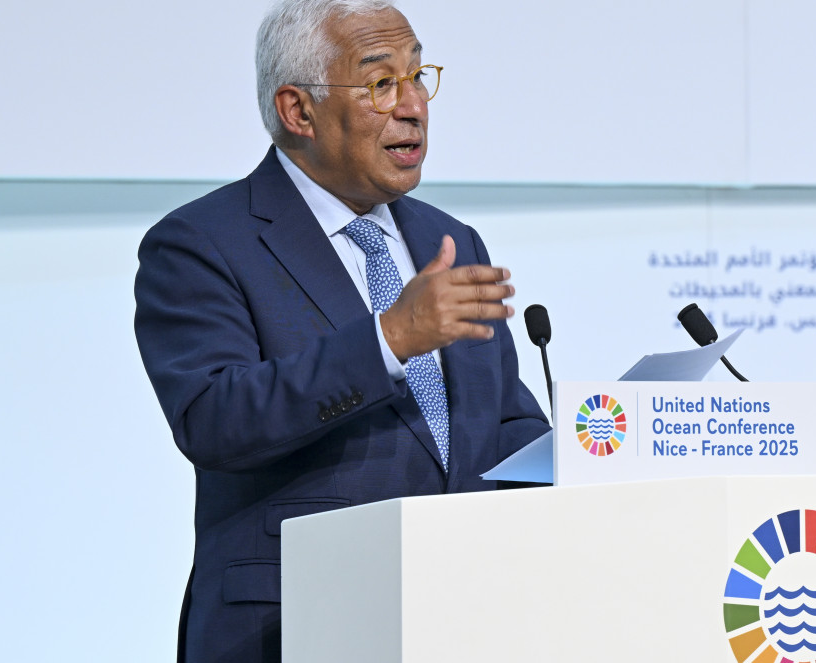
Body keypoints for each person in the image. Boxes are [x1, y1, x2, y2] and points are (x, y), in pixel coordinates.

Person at [133, 1, 551, 661]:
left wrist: (600, 454)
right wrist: (388, 339)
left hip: (464, 614)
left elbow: (503, 426)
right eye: (382, 83)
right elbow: (214, 418)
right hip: (290, 623)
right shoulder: (201, 244)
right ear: (298, 111)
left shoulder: (451, 240)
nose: (413, 105)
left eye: (419, 77)